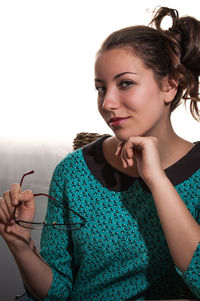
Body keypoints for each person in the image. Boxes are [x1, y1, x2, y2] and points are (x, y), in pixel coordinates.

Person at [0, 6, 200, 301]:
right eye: (100, 88)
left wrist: (157, 179)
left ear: (169, 86)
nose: (107, 103)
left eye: (126, 84)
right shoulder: (73, 171)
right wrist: (19, 243)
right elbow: (57, 293)